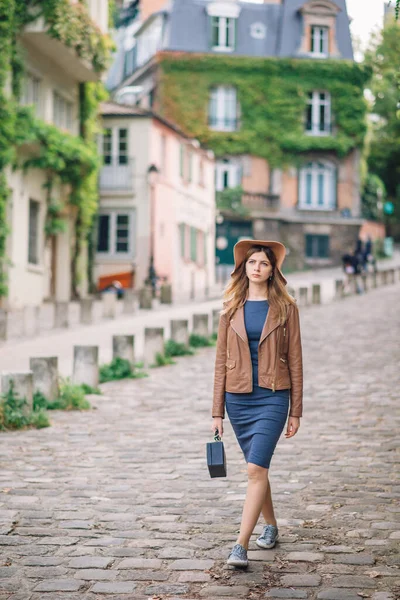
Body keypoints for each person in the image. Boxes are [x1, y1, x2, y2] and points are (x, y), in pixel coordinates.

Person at [211, 239, 303, 569]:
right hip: (238, 399)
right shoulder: (230, 306)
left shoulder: (286, 308)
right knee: (257, 468)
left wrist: (296, 410)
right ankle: (272, 526)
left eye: (263, 263)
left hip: (273, 396)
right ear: (244, 268)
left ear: (272, 270)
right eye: (252, 263)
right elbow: (221, 360)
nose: (257, 268)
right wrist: (216, 411)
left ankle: (240, 545)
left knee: (254, 469)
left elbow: (295, 360)